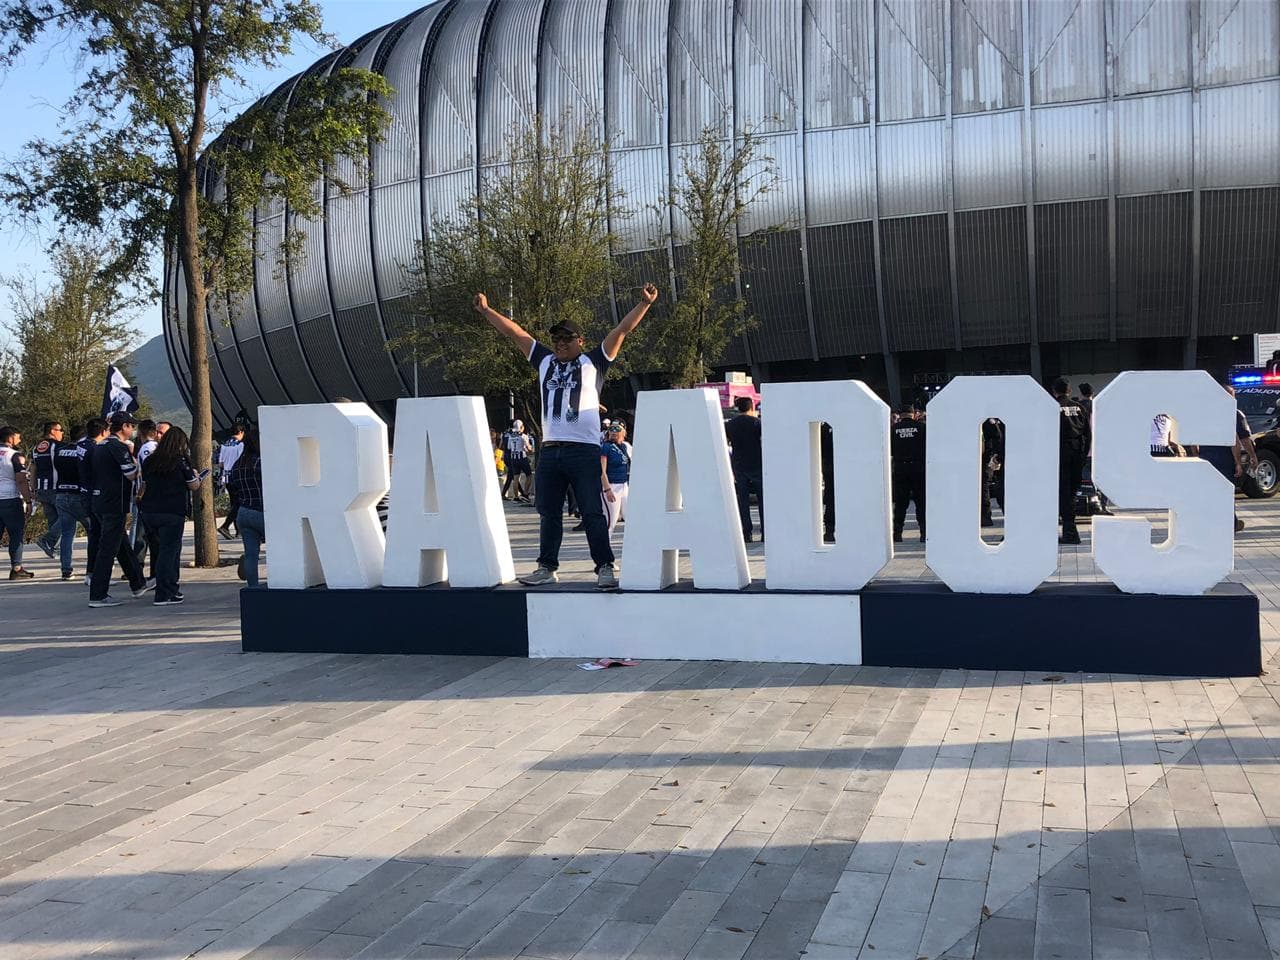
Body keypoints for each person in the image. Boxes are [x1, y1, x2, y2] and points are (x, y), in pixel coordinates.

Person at [474, 282, 658, 589]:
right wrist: (486, 311)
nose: (560, 344)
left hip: (583, 450)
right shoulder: (544, 361)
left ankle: (604, 566)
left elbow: (622, 331)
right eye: (556, 339)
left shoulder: (594, 361)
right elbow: (515, 333)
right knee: (548, 511)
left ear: (580, 341)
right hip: (551, 450)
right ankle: (547, 567)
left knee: (591, 511)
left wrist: (645, 304)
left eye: (567, 339)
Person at [138, 425, 204, 605]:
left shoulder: (150, 461)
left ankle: (172, 589)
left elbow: (144, 483)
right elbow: (193, 485)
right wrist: (197, 476)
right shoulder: (181, 461)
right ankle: (163, 593)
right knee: (169, 552)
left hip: (150, 511)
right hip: (172, 511)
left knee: (162, 552)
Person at [87, 412, 148, 607]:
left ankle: (137, 583)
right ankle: (98, 594)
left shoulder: (100, 445)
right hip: (114, 502)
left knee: (120, 544)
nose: (133, 430)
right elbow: (130, 474)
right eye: (131, 426)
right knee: (107, 549)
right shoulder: (117, 446)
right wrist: (139, 464)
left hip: (99, 499)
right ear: (123, 427)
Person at [52, 420, 95, 581]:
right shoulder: (82, 451)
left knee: (67, 534)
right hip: (79, 495)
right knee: (93, 531)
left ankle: (66, 569)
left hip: (62, 493)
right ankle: (93, 568)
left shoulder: (60, 451)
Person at [1052, 378, 1091, 546]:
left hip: (1060, 455)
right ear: (1069, 391)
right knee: (1073, 493)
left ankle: (1070, 532)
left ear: (1054, 391)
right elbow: (1087, 434)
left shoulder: (1053, 407)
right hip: (1077, 455)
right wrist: (1083, 455)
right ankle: (1070, 530)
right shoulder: (1080, 408)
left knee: (1063, 493)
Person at [226, 430, 265, 586]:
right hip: (261, 511)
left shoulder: (238, 465)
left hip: (243, 512)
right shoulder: (259, 462)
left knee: (251, 554)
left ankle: (252, 587)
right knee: (279, 547)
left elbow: (233, 486)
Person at [725, 396, 764, 543]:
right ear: (751, 407)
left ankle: (746, 533)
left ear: (737, 408)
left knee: (743, 501)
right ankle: (764, 533)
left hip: (739, 466)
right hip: (757, 465)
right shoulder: (757, 423)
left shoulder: (730, 425)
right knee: (762, 501)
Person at [0, 427, 35, 579]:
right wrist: (28, 500)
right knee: (16, 534)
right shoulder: (14, 456)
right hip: (9, 499)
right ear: (10, 438)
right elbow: (21, 480)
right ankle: (17, 568)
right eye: (18, 437)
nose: (19, 440)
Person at [891, 404, 926, 543]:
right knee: (921, 502)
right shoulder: (922, 428)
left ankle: (897, 533)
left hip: (900, 468)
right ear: (914, 414)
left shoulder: (893, 429)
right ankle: (924, 533)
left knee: (900, 503)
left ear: (900, 415)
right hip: (918, 468)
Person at [29, 421, 64, 559]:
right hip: (57, 488)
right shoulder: (59, 446)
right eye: (60, 430)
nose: (62, 433)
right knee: (67, 517)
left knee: (53, 519)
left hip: (42, 489)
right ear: (52, 431)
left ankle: (53, 548)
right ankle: (47, 540)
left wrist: (33, 488)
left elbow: (33, 469)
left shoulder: (36, 448)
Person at [600, 421, 632, 534]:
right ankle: (604, 550)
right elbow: (602, 470)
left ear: (623, 431)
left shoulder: (625, 446)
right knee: (610, 523)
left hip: (624, 486)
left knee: (631, 519)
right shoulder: (606, 447)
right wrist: (607, 489)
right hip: (611, 485)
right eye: (611, 429)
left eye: (617, 429)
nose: (613, 432)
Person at [217, 422, 246, 539]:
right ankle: (226, 525)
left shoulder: (225, 445)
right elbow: (242, 461)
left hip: (227, 477)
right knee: (239, 504)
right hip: (237, 477)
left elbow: (221, 464)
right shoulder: (241, 445)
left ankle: (237, 530)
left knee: (234, 504)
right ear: (241, 432)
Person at [981, 417, 1005, 526]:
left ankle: (985, 517)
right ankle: (984, 517)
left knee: (983, 486)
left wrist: (995, 455)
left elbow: (997, 437)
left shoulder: (988, 421)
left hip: (986, 457)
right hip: (986, 455)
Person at [502, 420, 534, 502]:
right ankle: (525, 494)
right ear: (521, 427)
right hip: (522, 457)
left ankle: (516, 496)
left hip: (513, 458)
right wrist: (530, 449)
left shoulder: (510, 436)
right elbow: (528, 448)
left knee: (515, 477)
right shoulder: (523, 436)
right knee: (529, 475)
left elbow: (509, 447)